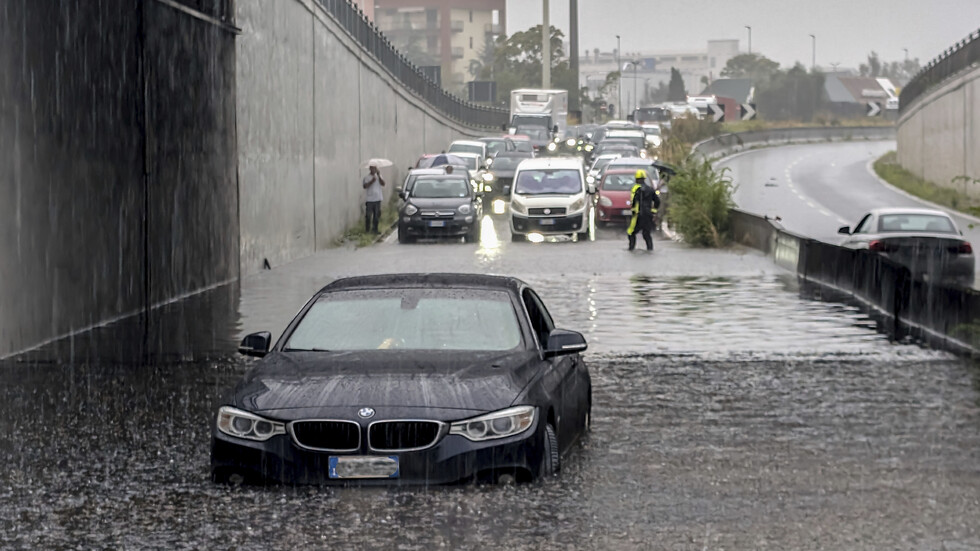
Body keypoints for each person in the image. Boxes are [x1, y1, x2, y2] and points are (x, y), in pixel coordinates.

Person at [627, 169, 660, 251]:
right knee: (646, 234)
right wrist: (654, 211)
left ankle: (631, 248)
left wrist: (633, 210)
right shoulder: (650, 189)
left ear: (636, 179)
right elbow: (657, 201)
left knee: (631, 232)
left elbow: (634, 201)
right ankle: (650, 249)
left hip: (637, 215)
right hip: (648, 214)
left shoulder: (635, 188)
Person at [362, 165, 385, 233]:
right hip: (370, 199)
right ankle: (367, 230)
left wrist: (379, 175)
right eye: (372, 168)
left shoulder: (379, 176)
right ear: (370, 169)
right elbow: (365, 186)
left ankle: (375, 229)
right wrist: (372, 181)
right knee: (368, 215)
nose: (374, 170)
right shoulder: (367, 177)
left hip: (377, 198)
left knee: (376, 216)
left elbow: (383, 183)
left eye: (375, 168)